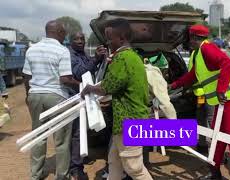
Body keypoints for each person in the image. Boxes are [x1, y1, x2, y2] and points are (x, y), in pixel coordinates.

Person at [170, 24, 230, 180]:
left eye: (188, 39)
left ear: (194, 38)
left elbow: (227, 64)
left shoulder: (207, 49)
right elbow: (192, 75)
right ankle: (215, 173)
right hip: (222, 101)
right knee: (216, 138)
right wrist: (173, 85)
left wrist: (221, 89)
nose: (186, 43)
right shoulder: (199, 53)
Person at [81, 18, 153, 180]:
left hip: (128, 121)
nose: (107, 41)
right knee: (114, 161)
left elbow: (108, 87)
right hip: (133, 119)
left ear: (121, 38)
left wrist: (90, 88)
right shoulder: (133, 57)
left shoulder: (122, 58)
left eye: (109, 37)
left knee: (134, 169)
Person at [22, 20, 80, 180]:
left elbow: (26, 76)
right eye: (64, 33)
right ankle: (62, 175)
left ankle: (36, 175)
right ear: (59, 33)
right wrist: (82, 86)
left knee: (38, 136)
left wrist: (28, 96)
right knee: (61, 139)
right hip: (56, 96)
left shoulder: (31, 50)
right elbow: (66, 79)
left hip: (35, 95)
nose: (65, 36)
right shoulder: (62, 51)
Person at [68, 32, 106, 180]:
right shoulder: (70, 55)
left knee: (82, 131)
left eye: (82, 39)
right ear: (70, 42)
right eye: (76, 39)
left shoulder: (82, 54)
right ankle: (75, 168)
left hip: (86, 98)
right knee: (77, 133)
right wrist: (95, 59)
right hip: (75, 98)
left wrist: (98, 59)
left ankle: (77, 163)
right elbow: (79, 73)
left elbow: (89, 68)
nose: (80, 41)